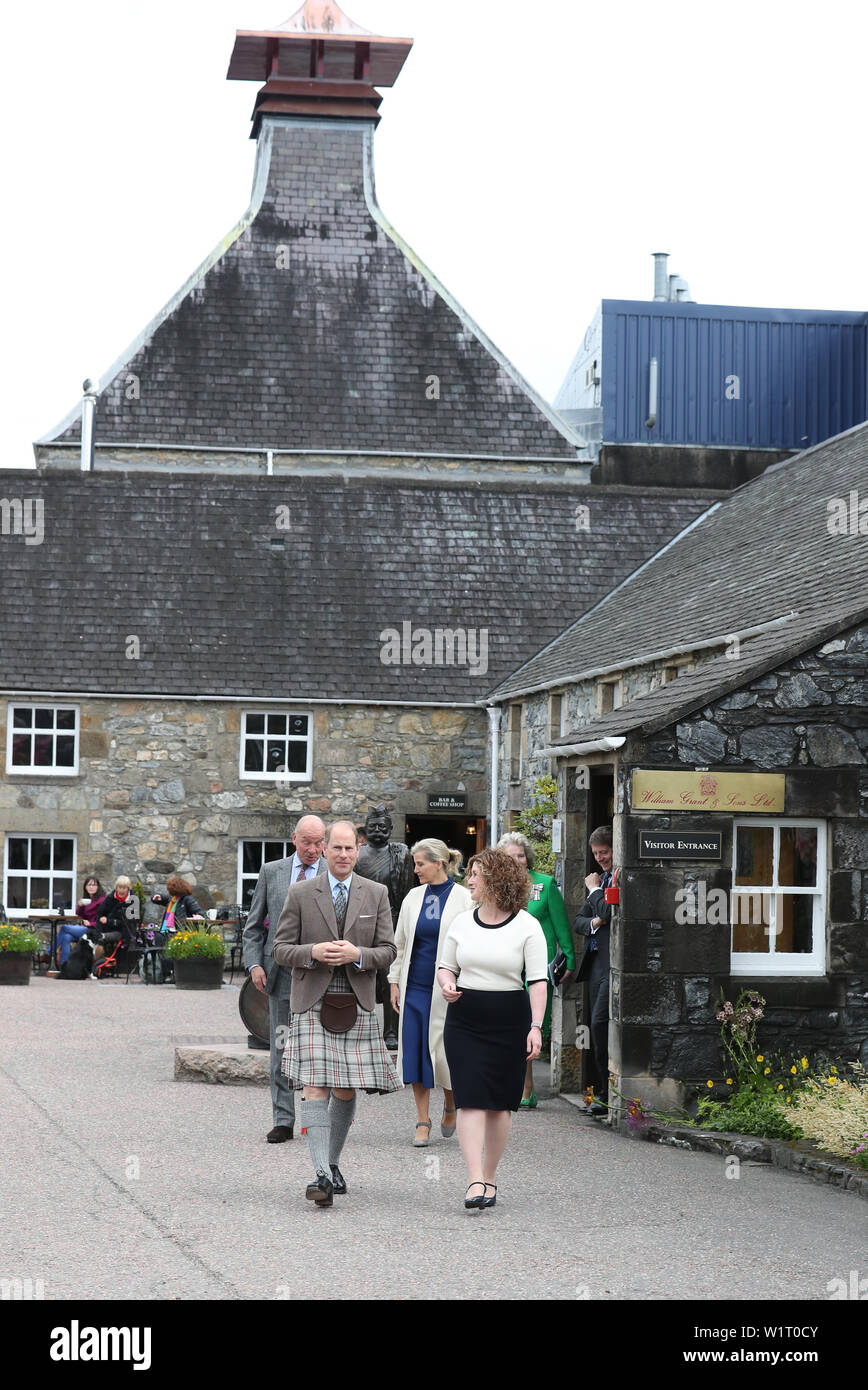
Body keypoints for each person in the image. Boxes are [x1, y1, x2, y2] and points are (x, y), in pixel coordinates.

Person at [272, 821, 398, 1208]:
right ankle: (321, 1177)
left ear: (357, 851)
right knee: (314, 1086)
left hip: (356, 1000)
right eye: (337, 848)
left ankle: (331, 1161)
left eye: (349, 849)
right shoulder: (300, 892)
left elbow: (388, 950)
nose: (343, 855)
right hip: (313, 999)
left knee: (345, 1089)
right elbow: (280, 948)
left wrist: (356, 955)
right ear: (325, 850)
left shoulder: (376, 893)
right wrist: (312, 951)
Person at [436, 848, 548, 1211]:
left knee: (500, 1105)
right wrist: (447, 983)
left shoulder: (527, 926)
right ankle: (473, 1180)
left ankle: (490, 1174)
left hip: (510, 1020)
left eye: (475, 874)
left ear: (495, 881)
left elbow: (538, 981)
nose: (468, 880)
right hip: (465, 1019)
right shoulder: (462, 922)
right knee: (469, 1099)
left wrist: (536, 1026)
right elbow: (445, 965)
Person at [242, 815, 327, 1143]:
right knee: (280, 1048)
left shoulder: (332, 873)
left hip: (319, 977)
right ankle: (282, 1119)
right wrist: (254, 966)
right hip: (278, 976)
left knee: (316, 1050)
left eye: (319, 842)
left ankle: (314, 1117)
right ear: (294, 839)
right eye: (307, 842)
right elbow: (253, 927)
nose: (314, 849)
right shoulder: (271, 872)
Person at [388, 839, 472, 1147]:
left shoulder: (464, 899)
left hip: (448, 990)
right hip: (414, 987)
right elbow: (399, 944)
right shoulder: (412, 897)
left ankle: (450, 1103)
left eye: (420, 864)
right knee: (415, 1053)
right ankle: (422, 1121)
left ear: (438, 863)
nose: (415, 869)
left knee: (444, 1053)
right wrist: (394, 982)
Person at [497, 832, 575, 1108]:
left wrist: (569, 957)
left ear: (527, 857)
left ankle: (526, 1087)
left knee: (527, 1027)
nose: (516, 860)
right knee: (507, 1027)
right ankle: (514, 1083)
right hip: (505, 965)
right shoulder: (496, 886)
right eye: (509, 856)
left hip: (537, 968)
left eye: (520, 855)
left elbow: (561, 923)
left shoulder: (545, 883)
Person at [355, 804, 415, 1049]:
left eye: (383, 827)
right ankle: (359, 1026)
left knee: (391, 976)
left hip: (391, 916)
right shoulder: (358, 856)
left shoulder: (401, 854)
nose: (378, 831)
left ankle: (392, 1030)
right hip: (360, 918)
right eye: (373, 827)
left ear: (391, 829)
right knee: (360, 974)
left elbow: (408, 891)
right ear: (365, 830)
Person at [573, 826, 617, 1118]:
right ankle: (601, 1094)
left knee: (600, 1027)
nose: (600, 858)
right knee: (595, 1027)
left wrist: (595, 891)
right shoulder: (601, 881)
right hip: (595, 964)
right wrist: (595, 921)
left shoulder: (611, 880)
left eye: (605, 852)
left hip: (611, 965)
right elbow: (579, 920)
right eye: (596, 853)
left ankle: (605, 1095)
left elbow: (610, 911)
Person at [56, 875, 106, 969]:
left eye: (94, 885)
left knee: (64, 928)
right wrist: (80, 905)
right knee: (66, 937)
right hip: (84, 928)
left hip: (93, 930)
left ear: (98, 886)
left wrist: (90, 923)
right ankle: (64, 967)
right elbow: (79, 914)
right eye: (89, 885)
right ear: (85, 887)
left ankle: (48, 953)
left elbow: (103, 920)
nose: (91, 887)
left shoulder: (101, 900)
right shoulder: (87, 899)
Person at [93, 877, 140, 965]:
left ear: (128, 888)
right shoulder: (110, 898)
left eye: (124, 888)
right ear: (116, 887)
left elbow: (129, 922)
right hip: (107, 929)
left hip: (124, 932)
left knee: (101, 937)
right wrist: (99, 928)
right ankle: (96, 965)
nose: (121, 890)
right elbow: (99, 915)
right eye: (119, 887)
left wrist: (109, 921)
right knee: (96, 937)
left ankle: (98, 965)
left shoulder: (134, 901)